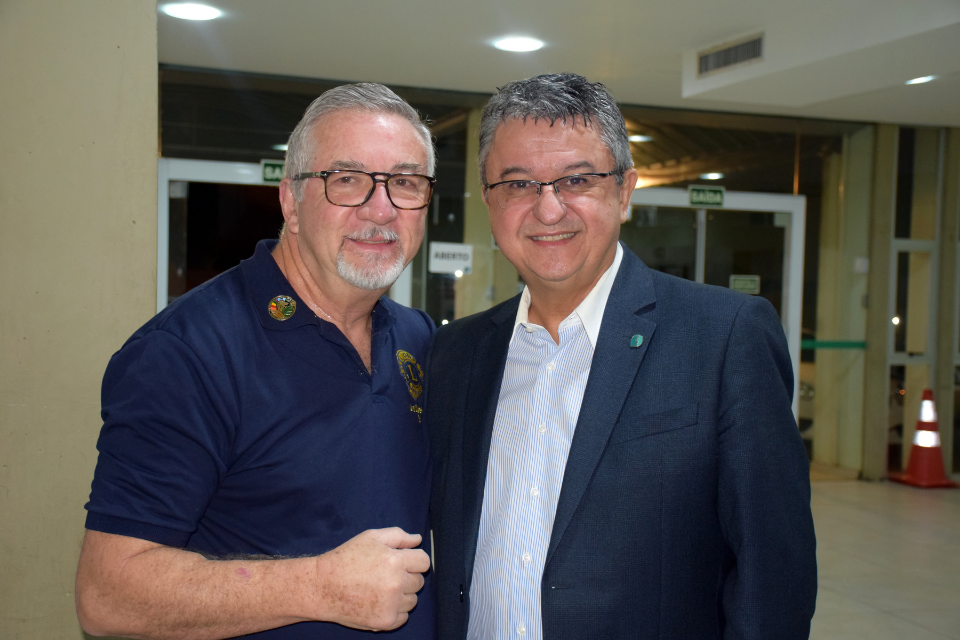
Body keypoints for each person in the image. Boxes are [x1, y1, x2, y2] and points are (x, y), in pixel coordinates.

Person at [426, 73, 817, 640]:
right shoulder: (455, 353)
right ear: (489, 200)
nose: (548, 209)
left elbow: (773, 578)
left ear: (625, 191)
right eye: (518, 184)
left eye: (576, 179)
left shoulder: (725, 337)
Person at [76, 83, 438, 639]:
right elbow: (108, 595)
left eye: (405, 183)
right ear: (290, 202)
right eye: (347, 179)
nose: (381, 208)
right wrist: (320, 587)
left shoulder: (418, 338)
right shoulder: (187, 352)